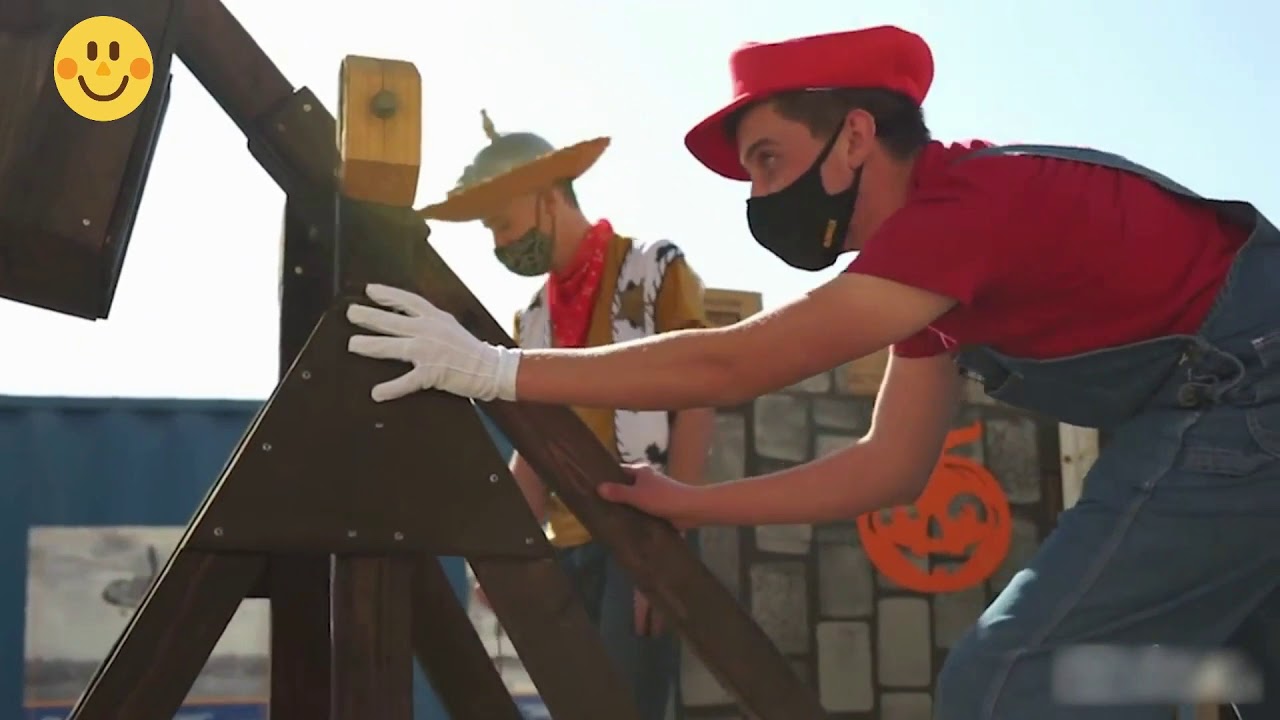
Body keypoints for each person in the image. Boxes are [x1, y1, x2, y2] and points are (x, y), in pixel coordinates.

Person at [347, 26, 1278, 720]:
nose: (756, 196)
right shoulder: (927, 286)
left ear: (855, 137)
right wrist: (685, 503)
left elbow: (731, 360)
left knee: (1010, 680)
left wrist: (491, 370)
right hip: (1223, 410)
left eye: (767, 160)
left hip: (1248, 395)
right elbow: (889, 468)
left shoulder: (965, 211)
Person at [417, 110, 715, 720]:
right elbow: (534, 441)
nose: (500, 242)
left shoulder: (652, 268)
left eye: (502, 222)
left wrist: (672, 544)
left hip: (643, 528)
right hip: (568, 542)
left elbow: (698, 393)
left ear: (549, 197)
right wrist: (505, 546)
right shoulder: (533, 318)